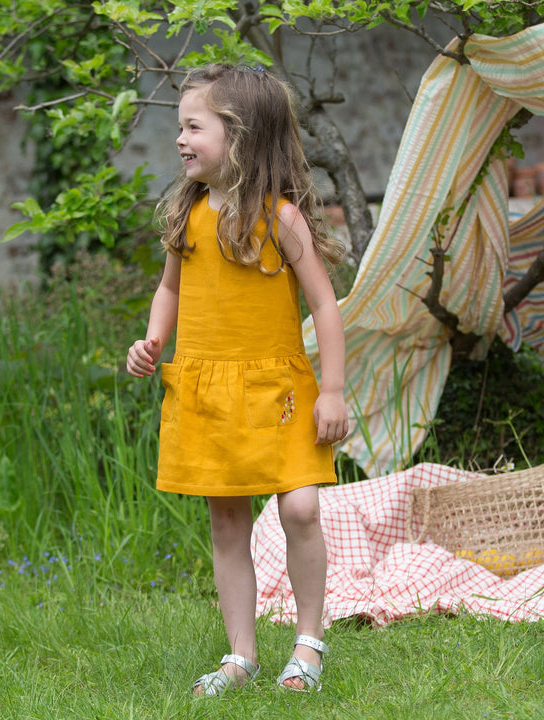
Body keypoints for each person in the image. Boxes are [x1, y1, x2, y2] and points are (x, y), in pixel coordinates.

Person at [126, 63, 348, 697]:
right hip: (208, 392)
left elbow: (325, 307)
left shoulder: (281, 219)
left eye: (194, 126)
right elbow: (169, 288)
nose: (180, 139)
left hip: (278, 395)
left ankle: (308, 643)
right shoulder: (187, 212)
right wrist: (153, 341)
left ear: (241, 135)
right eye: (180, 127)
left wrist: (331, 390)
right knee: (228, 520)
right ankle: (242, 654)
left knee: (301, 507)